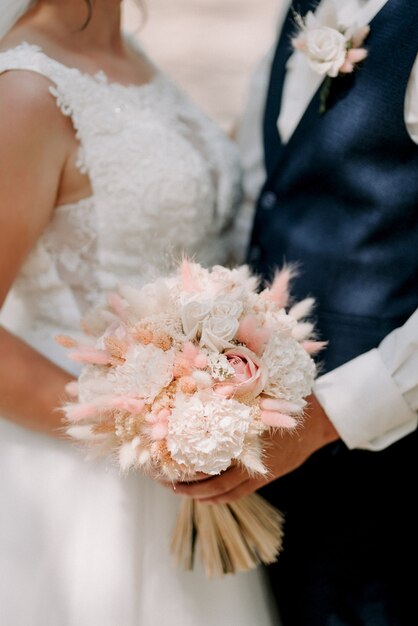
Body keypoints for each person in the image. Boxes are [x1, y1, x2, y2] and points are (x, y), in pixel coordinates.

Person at [0, 1, 277, 625]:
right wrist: (155, 428)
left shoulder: (127, 53)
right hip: (85, 487)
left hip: (191, 466)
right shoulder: (25, 90)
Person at [175, 1, 418, 624]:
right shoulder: (303, 7)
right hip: (283, 472)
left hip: (391, 470)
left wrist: (326, 418)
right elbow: (266, 190)